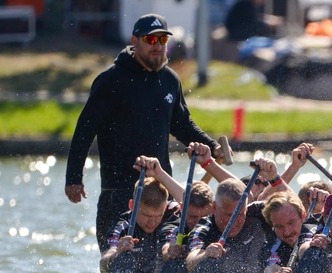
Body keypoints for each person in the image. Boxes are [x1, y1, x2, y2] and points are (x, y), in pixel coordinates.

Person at [65, 13, 218, 244]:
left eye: (163, 41)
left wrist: (212, 146)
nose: (158, 47)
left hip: (161, 193)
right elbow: (85, 130)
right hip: (120, 192)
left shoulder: (170, 80)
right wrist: (74, 177)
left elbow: (183, 124)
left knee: (166, 259)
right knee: (118, 262)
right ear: (135, 41)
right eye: (151, 40)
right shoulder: (111, 80)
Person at [97, 176, 177, 273]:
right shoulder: (123, 226)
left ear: (165, 206)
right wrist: (117, 253)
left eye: (158, 216)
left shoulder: (173, 212)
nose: (152, 222)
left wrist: (159, 172)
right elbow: (103, 266)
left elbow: (195, 201)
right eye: (147, 215)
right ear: (132, 205)